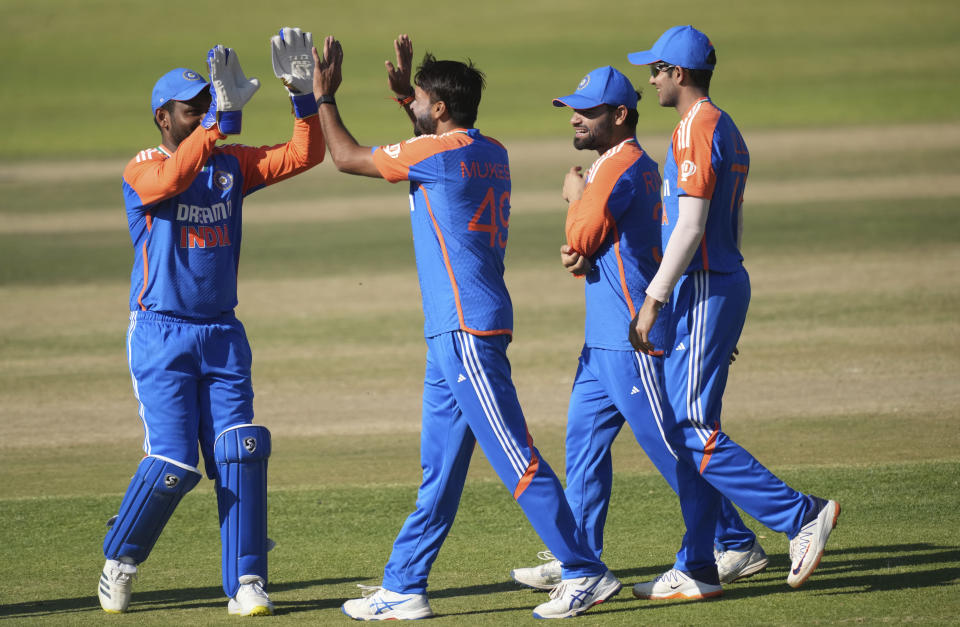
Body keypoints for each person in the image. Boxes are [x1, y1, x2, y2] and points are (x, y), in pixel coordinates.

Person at [311, 34, 620, 620]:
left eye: (423, 99)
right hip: (458, 329)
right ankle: (404, 586)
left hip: (466, 331)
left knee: (516, 458)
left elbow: (347, 157)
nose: (418, 106)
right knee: (442, 470)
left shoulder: (433, 156)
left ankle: (584, 571)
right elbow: (434, 139)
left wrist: (324, 98)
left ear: (441, 110)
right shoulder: (490, 151)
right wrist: (408, 96)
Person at [508, 66, 769, 593]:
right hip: (601, 342)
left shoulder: (621, 165)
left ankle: (736, 541)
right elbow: (613, 246)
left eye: (589, 110)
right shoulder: (622, 165)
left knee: (675, 450)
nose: (577, 118)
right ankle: (579, 558)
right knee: (583, 450)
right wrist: (585, 253)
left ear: (620, 116)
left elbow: (583, 232)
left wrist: (574, 197)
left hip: (634, 342)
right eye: (573, 109)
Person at [97, 28, 325, 615]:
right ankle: (119, 559)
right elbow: (170, 182)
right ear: (161, 118)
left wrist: (304, 99)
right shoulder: (144, 165)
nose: (201, 115)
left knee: (241, 449)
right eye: (190, 110)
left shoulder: (228, 165)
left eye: (208, 104)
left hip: (222, 334)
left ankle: (247, 581)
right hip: (161, 332)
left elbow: (304, 155)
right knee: (173, 464)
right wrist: (217, 124)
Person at [626, 25, 840, 600]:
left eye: (657, 70)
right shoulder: (725, 126)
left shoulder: (695, 130)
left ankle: (801, 515)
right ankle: (698, 565)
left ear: (680, 74)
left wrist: (654, 300)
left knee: (691, 429)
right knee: (690, 429)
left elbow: (691, 226)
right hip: (717, 286)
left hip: (701, 286)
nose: (651, 80)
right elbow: (727, 221)